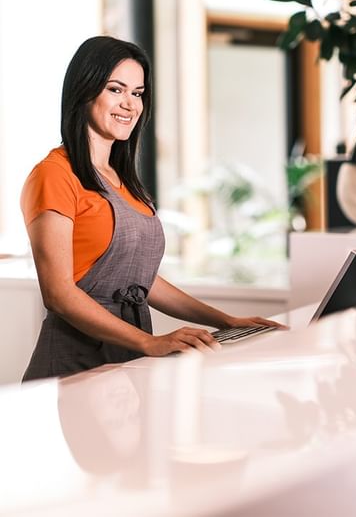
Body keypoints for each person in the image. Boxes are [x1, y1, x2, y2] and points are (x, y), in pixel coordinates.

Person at [21, 36, 283, 382]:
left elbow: (142, 282)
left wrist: (225, 321)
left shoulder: (124, 180)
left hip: (126, 358)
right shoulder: (54, 175)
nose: (129, 104)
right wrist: (149, 341)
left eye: (138, 93)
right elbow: (59, 294)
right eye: (116, 89)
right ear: (84, 91)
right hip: (73, 363)